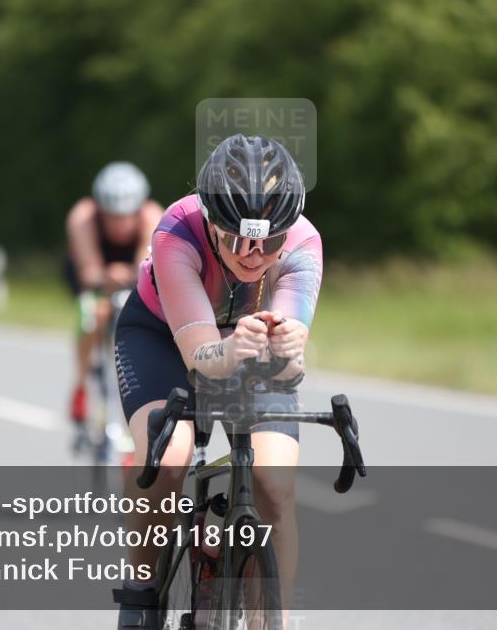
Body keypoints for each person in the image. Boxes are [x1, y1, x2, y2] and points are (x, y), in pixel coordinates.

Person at [112, 135, 320, 628]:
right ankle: (141, 593)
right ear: (210, 222)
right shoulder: (177, 231)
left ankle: (272, 621)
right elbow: (202, 357)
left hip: (247, 345)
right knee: (168, 456)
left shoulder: (303, 243)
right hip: (164, 337)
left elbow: (286, 368)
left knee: (275, 485)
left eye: (269, 242)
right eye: (237, 240)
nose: (254, 255)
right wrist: (232, 348)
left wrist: (290, 353)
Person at [64, 162, 163, 424]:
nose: (120, 224)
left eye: (126, 216)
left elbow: (146, 267)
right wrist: (105, 279)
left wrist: (127, 277)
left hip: (134, 274)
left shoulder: (152, 215)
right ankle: (81, 382)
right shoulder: (83, 217)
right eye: (112, 216)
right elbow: (88, 273)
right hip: (95, 274)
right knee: (91, 314)